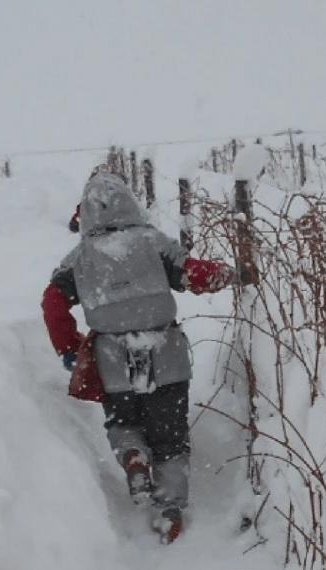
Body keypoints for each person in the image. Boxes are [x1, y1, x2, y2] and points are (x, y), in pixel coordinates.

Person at [41, 172, 231, 543]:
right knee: (170, 436)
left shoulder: (77, 259)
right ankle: (170, 507)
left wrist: (68, 348)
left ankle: (132, 456)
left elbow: (53, 302)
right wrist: (228, 273)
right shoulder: (153, 242)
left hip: (112, 359)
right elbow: (195, 275)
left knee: (123, 420)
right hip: (166, 353)